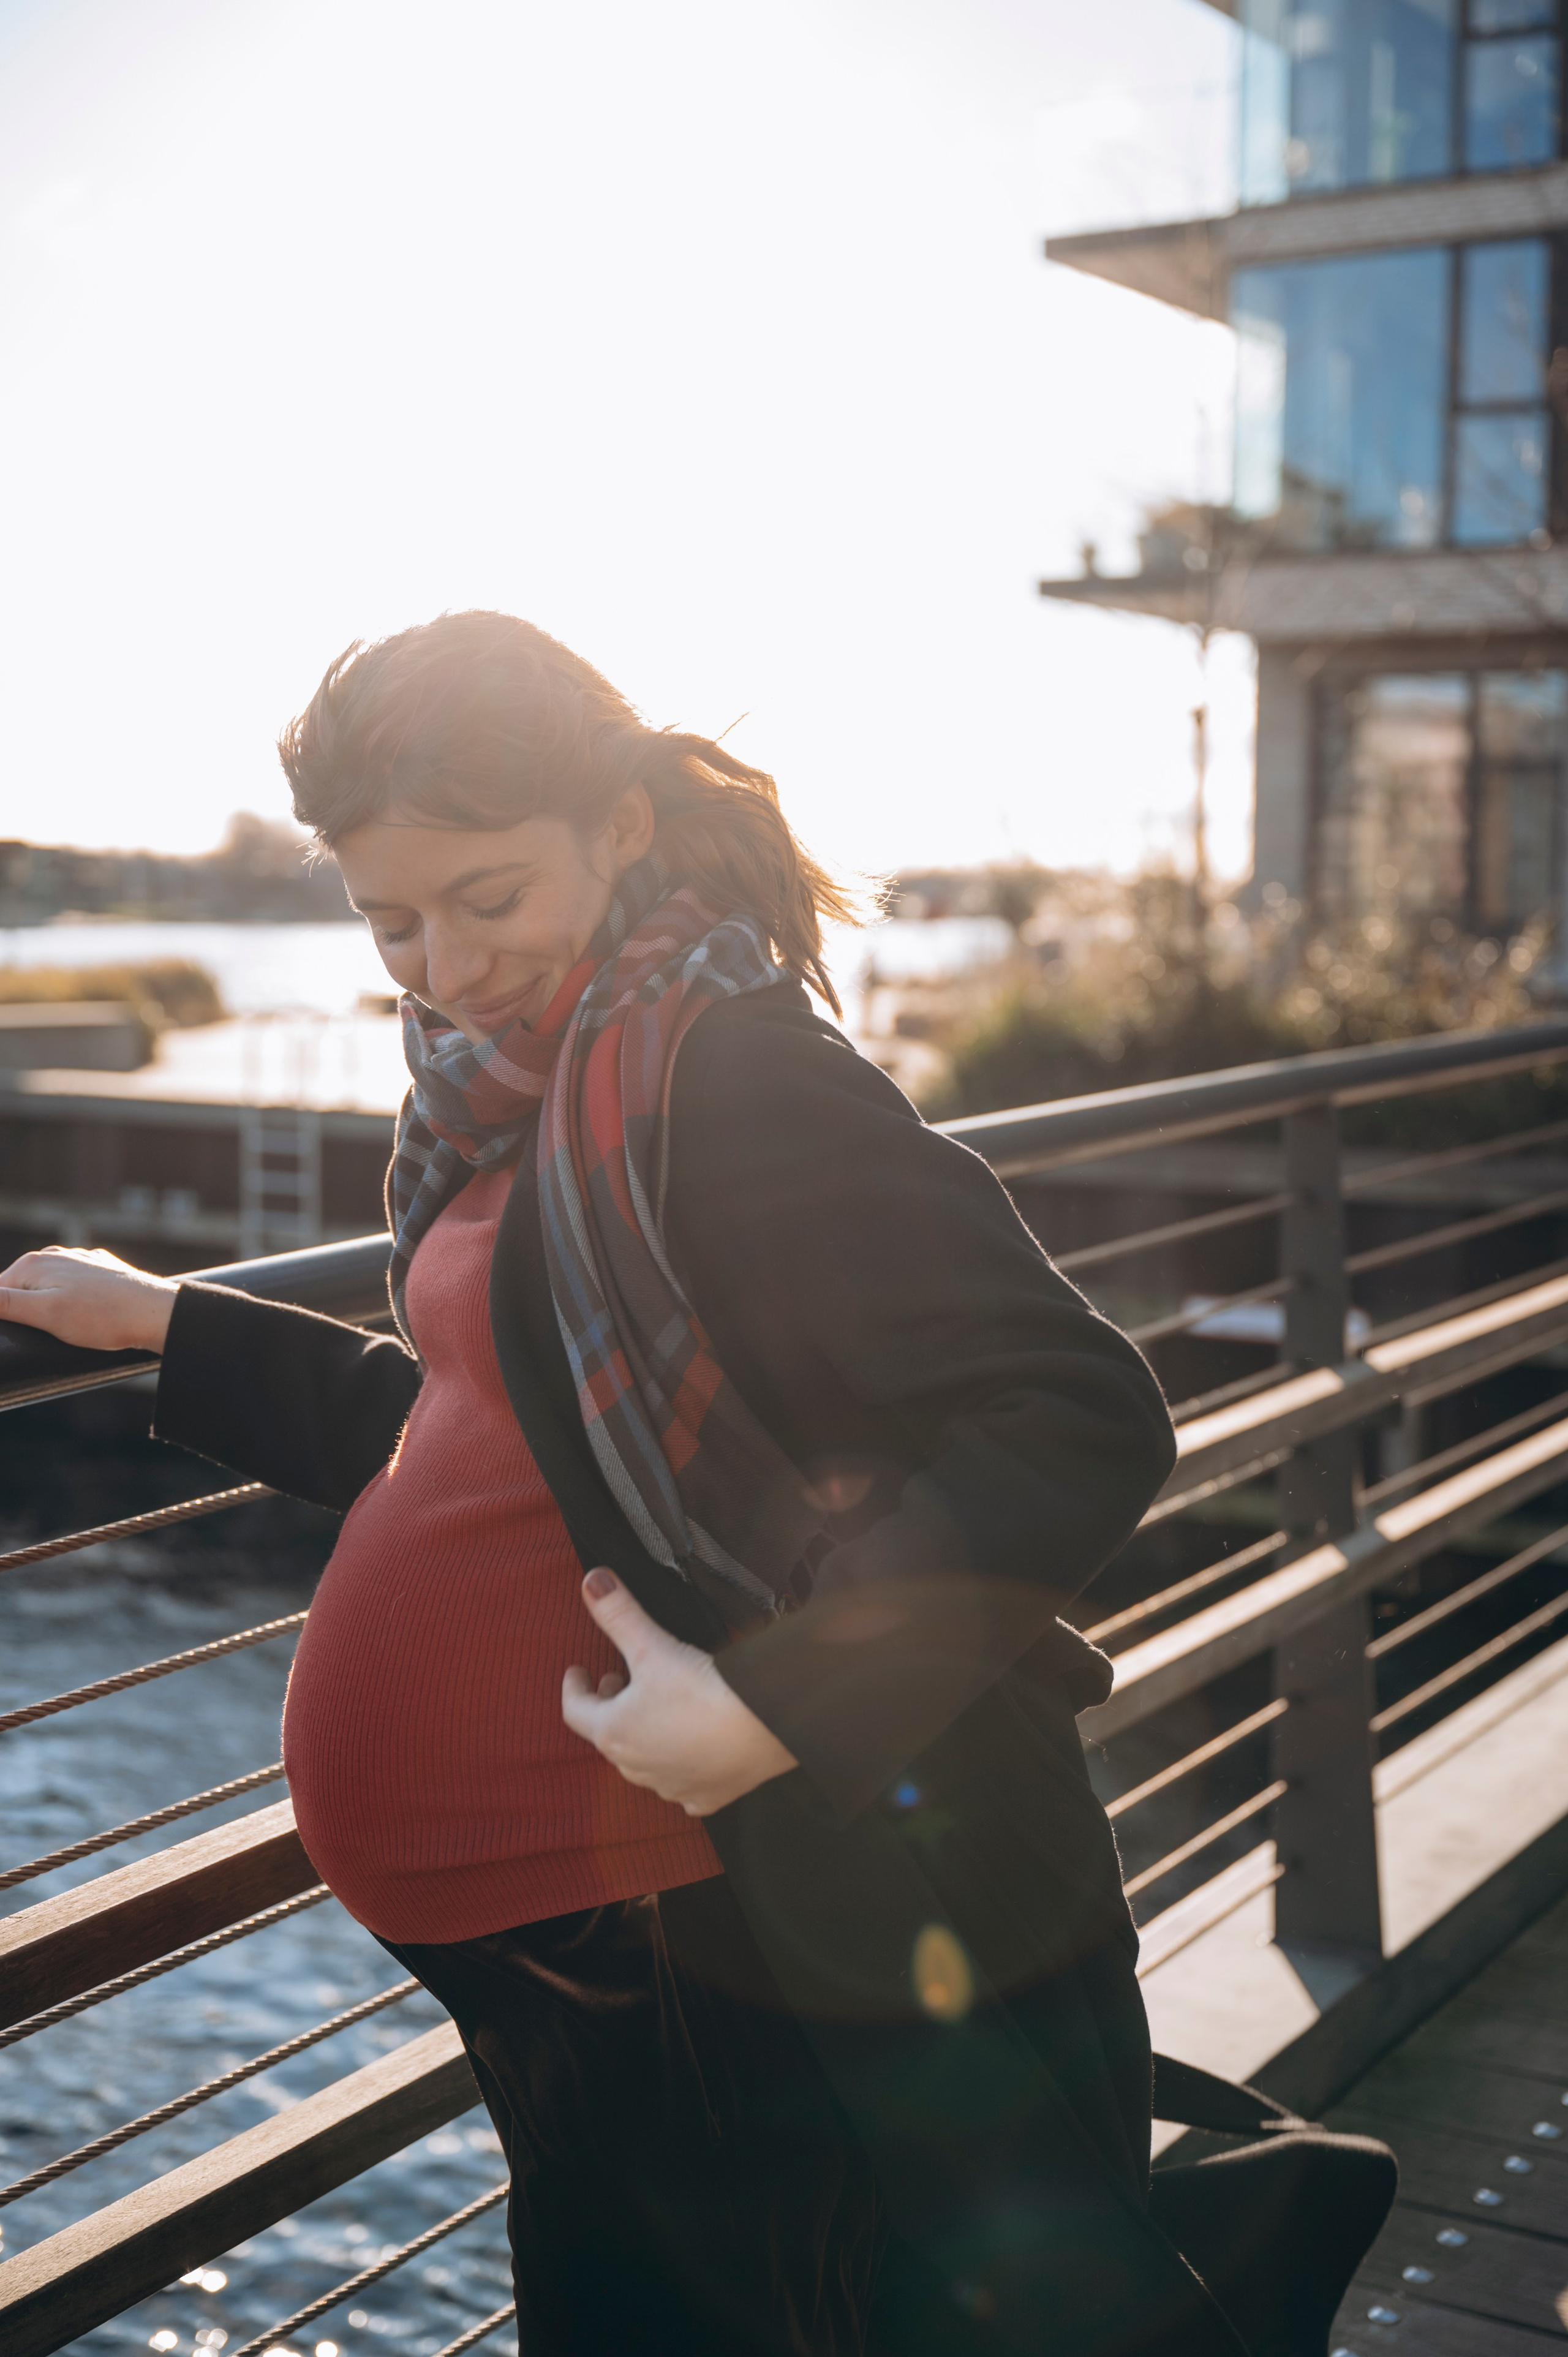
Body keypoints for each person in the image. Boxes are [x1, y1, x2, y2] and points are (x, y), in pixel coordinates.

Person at [0, 614, 1254, 2356]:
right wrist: (174, 1330)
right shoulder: (534, 1095)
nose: (443, 964)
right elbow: (479, 1431)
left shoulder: (734, 1080)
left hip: (721, 1905)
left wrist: (774, 1709)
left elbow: (1082, 1413)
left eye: (489, 898)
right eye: (391, 922)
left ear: (623, 830)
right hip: (596, 1941)